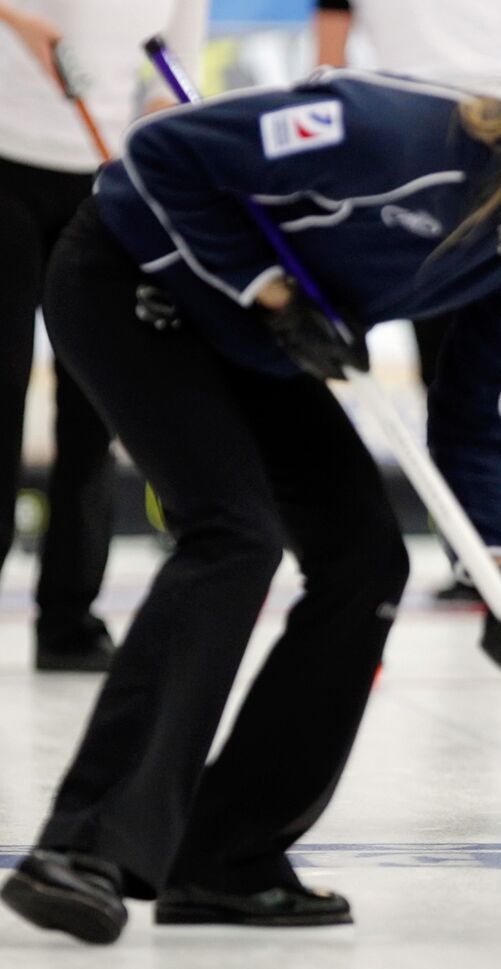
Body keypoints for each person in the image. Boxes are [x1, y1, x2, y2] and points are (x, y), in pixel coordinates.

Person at [0, 19, 501, 945]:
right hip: (133, 281)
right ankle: (81, 846)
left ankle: (229, 856)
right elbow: (162, 154)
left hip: (258, 341)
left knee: (366, 560)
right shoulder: (390, 131)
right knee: (234, 532)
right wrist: (267, 290)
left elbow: (477, 416)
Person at [312, 0, 501, 602]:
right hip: (438, 141)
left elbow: (328, 60)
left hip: (465, 141)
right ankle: (491, 554)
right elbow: (329, 57)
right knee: (485, 371)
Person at [0, 0, 207, 672]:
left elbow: (173, 66)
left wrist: (149, 127)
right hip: (5, 156)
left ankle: (68, 618)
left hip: (104, 180)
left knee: (95, 404)